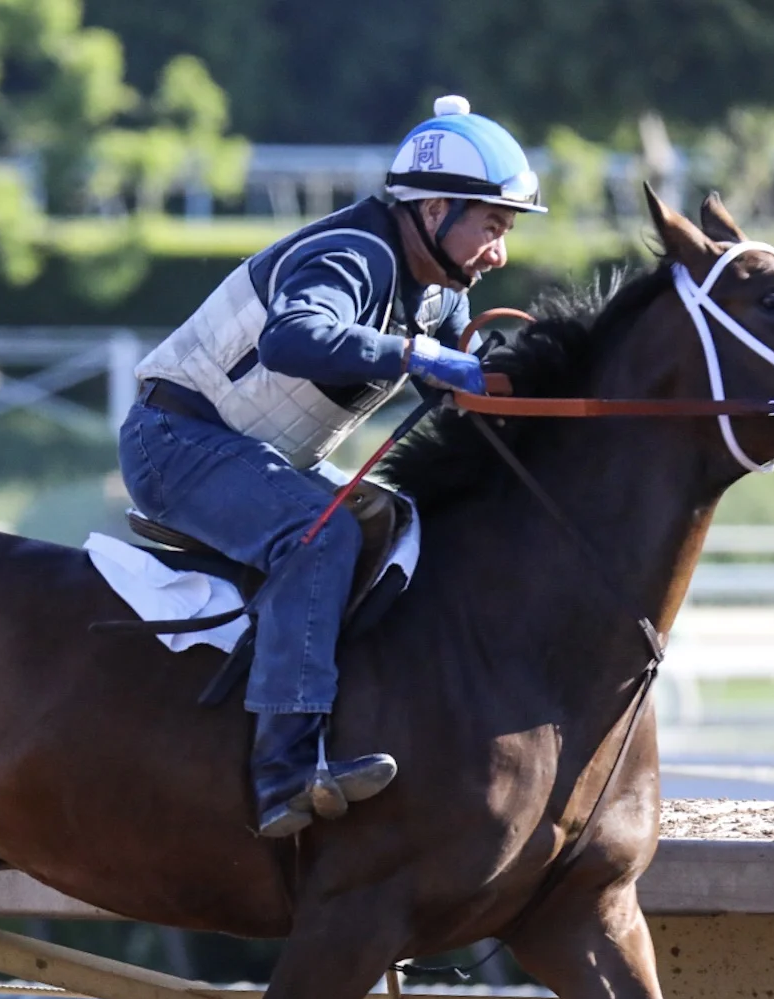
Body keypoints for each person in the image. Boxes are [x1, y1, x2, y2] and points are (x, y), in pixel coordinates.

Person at [119, 95, 547, 838]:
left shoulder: (437, 293)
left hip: (238, 453)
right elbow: (293, 337)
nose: (499, 253)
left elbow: (472, 396)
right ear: (435, 209)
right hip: (172, 443)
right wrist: (418, 356)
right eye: (492, 226)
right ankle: (284, 769)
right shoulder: (354, 253)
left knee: (402, 527)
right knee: (321, 537)